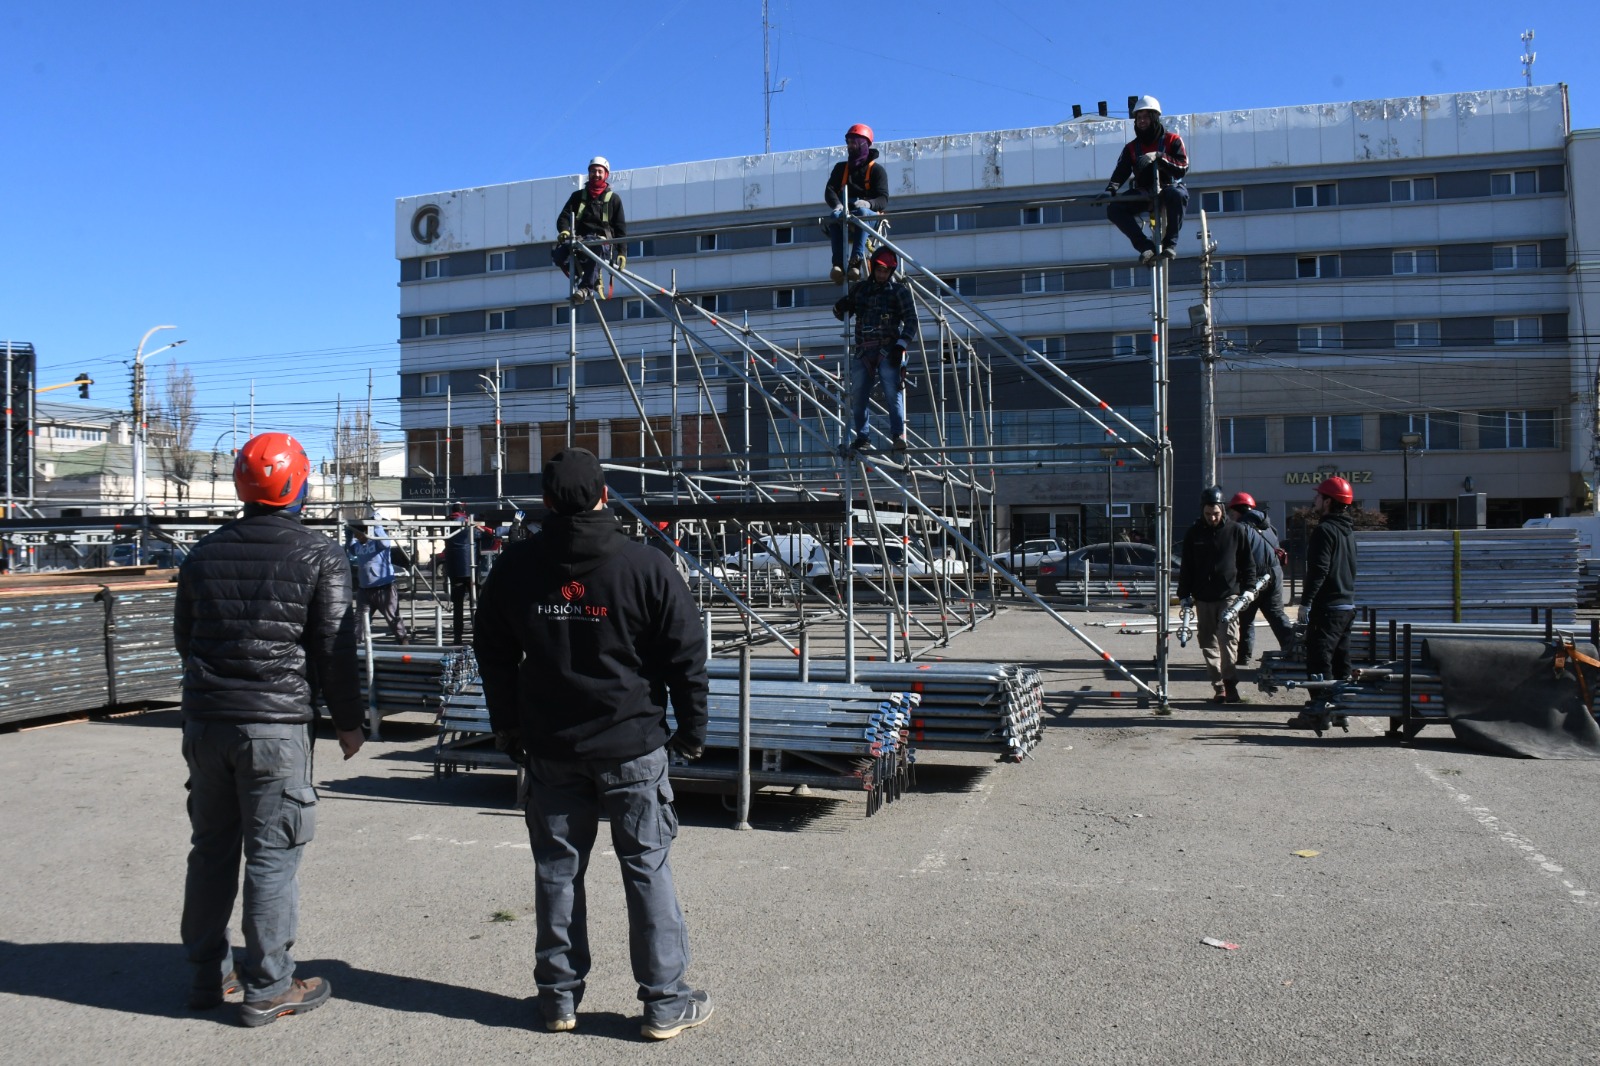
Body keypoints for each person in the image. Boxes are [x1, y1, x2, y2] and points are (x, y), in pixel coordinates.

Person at [475, 448, 713, 1040]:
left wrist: (507, 725)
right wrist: (692, 729)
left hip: (552, 745)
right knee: (647, 867)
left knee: (557, 870)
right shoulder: (646, 564)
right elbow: (686, 655)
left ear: (546, 501)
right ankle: (664, 1001)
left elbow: (493, 653)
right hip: (632, 742)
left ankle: (558, 998)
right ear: (605, 496)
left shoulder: (516, 566)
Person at [174, 431, 365, 1027]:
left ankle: (205, 975)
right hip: (274, 728)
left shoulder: (203, 554)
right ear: (299, 485)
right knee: (272, 856)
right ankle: (268, 985)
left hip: (207, 724)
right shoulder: (319, 554)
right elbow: (334, 648)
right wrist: (349, 722)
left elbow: (185, 638)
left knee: (210, 851)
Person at [1290, 476, 1359, 726]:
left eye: (1319, 496)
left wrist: (1306, 602)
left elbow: (1319, 570)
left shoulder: (1324, 530)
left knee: (1319, 659)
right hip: (1346, 606)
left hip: (1328, 607)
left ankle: (1320, 713)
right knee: (1341, 661)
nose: (1315, 499)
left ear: (1328, 501)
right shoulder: (1347, 531)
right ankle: (1340, 710)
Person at [833, 246, 917, 454]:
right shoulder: (860, 290)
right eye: (879, 270)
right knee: (858, 396)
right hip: (864, 350)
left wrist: (901, 346)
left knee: (893, 394)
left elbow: (911, 320)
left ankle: (898, 435)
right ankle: (862, 437)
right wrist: (840, 307)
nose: (881, 275)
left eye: (885, 271)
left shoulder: (898, 292)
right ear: (873, 268)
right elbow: (843, 313)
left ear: (891, 271)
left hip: (888, 349)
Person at [1177, 485, 1256, 705]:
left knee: (1228, 638)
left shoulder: (1236, 531)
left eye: (1216, 513)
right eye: (1208, 514)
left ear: (1222, 509)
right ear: (1202, 511)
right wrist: (1184, 595)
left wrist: (1249, 589)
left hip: (1228, 595)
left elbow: (1247, 563)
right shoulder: (1194, 534)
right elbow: (1187, 567)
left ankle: (1230, 684)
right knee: (1208, 642)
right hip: (1202, 597)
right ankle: (1218, 686)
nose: (1212, 518)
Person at [1102, 95, 1190, 264]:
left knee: (1178, 195)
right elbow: (1121, 172)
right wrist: (1110, 190)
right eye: (1138, 117)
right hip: (1144, 192)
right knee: (1115, 209)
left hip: (1169, 188)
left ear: (1155, 118)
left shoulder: (1173, 140)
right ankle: (1145, 246)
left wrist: (1159, 157)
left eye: (1146, 117)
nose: (1141, 121)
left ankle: (1169, 244)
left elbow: (1182, 167)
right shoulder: (1131, 148)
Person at [1227, 492, 1295, 663]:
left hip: (1253, 575)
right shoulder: (1269, 527)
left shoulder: (1240, 528)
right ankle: (1293, 650)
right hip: (1275, 574)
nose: (1230, 516)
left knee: (1246, 618)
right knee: (1277, 615)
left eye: (1231, 512)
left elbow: (1235, 556)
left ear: (1238, 510)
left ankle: (1244, 657)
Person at [551, 156, 627, 305]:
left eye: (600, 171)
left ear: (606, 174)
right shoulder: (578, 197)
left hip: (601, 243)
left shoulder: (613, 199)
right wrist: (564, 231)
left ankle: (585, 288)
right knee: (558, 255)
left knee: (596, 248)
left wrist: (622, 253)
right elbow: (563, 217)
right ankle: (589, 275)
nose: (596, 174)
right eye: (593, 171)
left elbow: (620, 228)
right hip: (580, 241)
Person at [823, 123, 888, 284]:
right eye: (849, 142)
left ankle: (855, 262)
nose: (850, 146)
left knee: (862, 214)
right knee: (834, 216)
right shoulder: (841, 169)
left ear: (864, 144)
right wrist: (837, 205)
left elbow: (883, 199)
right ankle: (838, 264)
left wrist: (868, 204)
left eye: (854, 142)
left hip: (868, 216)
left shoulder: (876, 170)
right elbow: (830, 190)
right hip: (846, 211)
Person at [348, 517, 410, 645]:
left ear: (366, 532)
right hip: (364, 589)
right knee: (359, 620)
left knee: (392, 617)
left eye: (358, 534)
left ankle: (403, 641)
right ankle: (355, 645)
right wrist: (348, 532)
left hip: (384, 587)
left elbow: (385, 542)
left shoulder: (377, 543)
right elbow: (351, 549)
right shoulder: (358, 546)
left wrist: (377, 524)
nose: (357, 537)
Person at [437, 505, 474, 645]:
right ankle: (477, 634)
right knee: (474, 604)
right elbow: (478, 535)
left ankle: (457, 637)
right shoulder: (468, 523)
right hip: (470, 567)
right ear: (463, 511)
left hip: (454, 569)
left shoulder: (446, 523)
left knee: (458, 607)